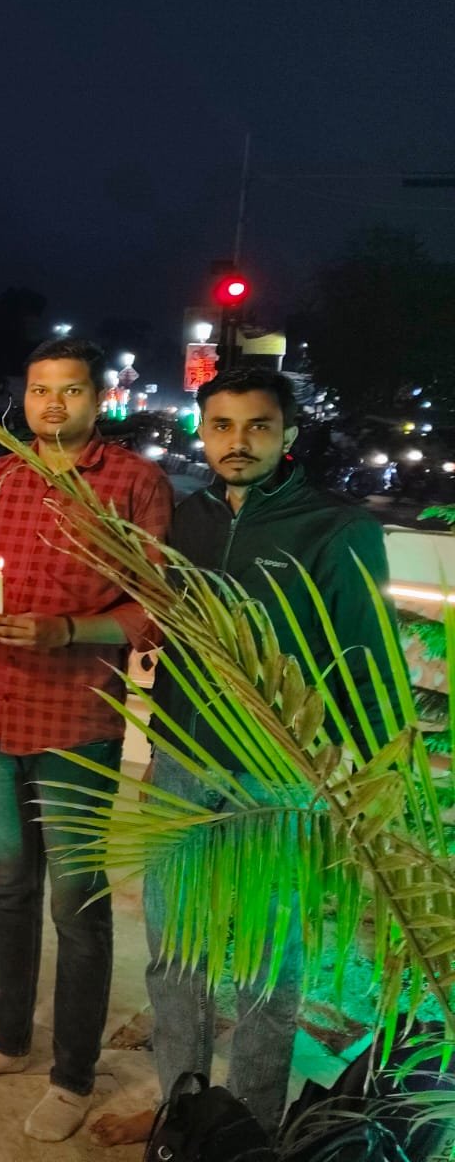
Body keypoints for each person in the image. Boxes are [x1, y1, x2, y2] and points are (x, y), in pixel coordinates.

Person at [89, 368, 394, 1147]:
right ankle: (182, 1112)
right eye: (221, 426)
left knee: (267, 968)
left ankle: (246, 1131)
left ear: (287, 434)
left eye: (258, 426)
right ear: (204, 432)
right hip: (183, 762)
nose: (238, 442)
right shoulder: (184, 520)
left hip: (279, 778)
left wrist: (368, 778)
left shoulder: (334, 528)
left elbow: (369, 662)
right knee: (174, 958)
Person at [0, 337, 173, 1143]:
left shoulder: (134, 484)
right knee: (5, 886)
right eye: (40, 390)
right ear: (25, 398)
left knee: (76, 905)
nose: (53, 405)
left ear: (97, 399)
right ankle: (6, 1038)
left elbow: (153, 607)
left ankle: (72, 1074)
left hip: (77, 721)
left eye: (70, 391)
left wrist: (68, 630)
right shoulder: (0, 478)